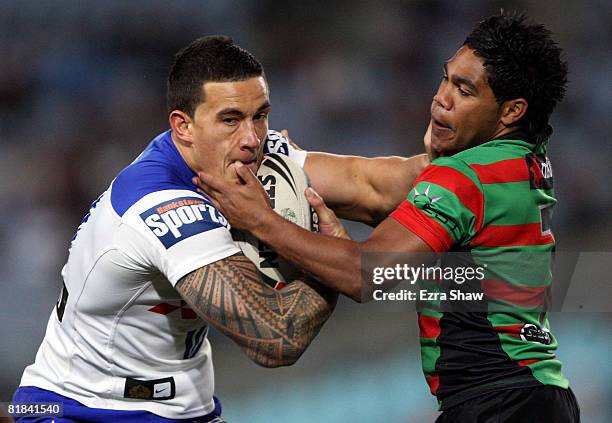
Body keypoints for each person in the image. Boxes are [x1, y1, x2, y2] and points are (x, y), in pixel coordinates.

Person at [12, 35, 422, 423]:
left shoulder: (240, 158)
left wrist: (476, 164)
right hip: (84, 408)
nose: (252, 138)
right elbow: (277, 337)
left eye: (260, 116)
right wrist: (325, 255)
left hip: (183, 406)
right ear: (183, 127)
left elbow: (375, 186)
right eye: (231, 119)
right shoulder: (161, 204)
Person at [195, 13, 580, 422]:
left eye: (464, 91)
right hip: (532, 395)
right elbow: (377, 199)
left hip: (501, 402)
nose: (441, 98)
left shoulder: (464, 176)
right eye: (446, 79)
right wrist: (286, 167)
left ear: (511, 111)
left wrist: (260, 220)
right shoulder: (523, 162)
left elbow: (371, 275)